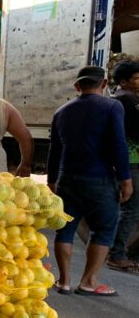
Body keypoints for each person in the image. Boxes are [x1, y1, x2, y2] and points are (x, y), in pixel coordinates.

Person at [47, 66, 132, 297]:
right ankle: (88, 281)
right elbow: (118, 145)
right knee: (103, 230)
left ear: (77, 86)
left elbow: (54, 150)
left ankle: (63, 281)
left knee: (65, 228)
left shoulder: (61, 111)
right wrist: (126, 179)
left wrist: (52, 179)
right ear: (104, 84)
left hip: (67, 179)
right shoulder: (112, 106)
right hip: (100, 179)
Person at [107, 60, 139, 273]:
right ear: (123, 81)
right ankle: (117, 254)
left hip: (130, 160)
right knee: (131, 209)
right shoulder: (126, 100)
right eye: (136, 78)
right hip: (131, 161)